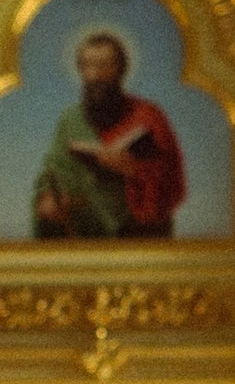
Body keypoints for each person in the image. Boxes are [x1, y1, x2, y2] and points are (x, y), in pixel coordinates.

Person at [32, 30, 187, 239]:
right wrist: (49, 197)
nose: (95, 75)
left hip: (135, 225)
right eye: (87, 66)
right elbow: (54, 170)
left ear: (120, 69)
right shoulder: (71, 119)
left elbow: (171, 180)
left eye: (104, 66)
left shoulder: (147, 116)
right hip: (84, 223)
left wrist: (132, 169)